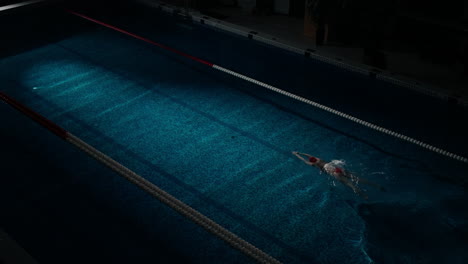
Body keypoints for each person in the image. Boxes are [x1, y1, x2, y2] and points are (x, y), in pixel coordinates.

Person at [292, 151, 386, 199]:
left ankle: (365, 196)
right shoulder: (319, 160)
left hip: (334, 173)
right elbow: (308, 155)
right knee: (358, 178)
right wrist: (300, 152)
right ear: (314, 158)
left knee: (351, 185)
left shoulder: (314, 164)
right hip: (337, 168)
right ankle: (376, 185)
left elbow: (304, 160)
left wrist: (296, 155)